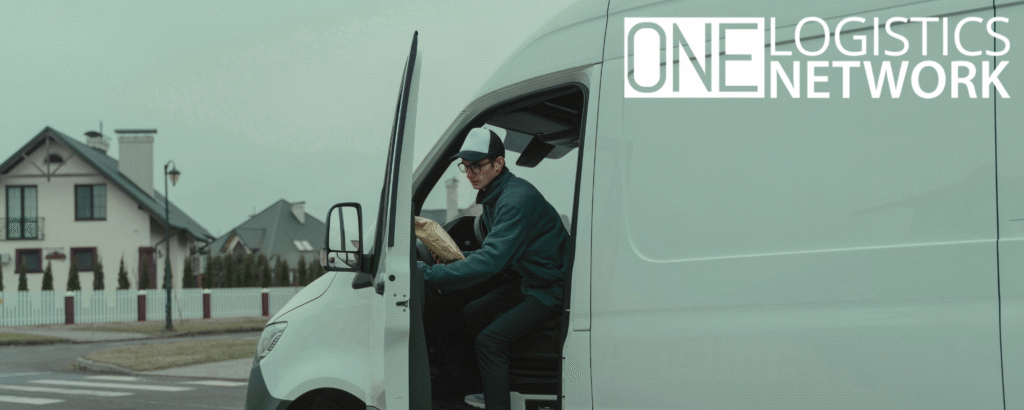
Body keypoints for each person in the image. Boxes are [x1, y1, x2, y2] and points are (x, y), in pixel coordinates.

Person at [417, 127, 570, 410]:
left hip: (552, 287)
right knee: (473, 311)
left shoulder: (515, 200)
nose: (469, 173)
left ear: (498, 164)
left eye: (477, 165)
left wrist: (425, 274)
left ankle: (497, 402)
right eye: (466, 166)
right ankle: (494, 383)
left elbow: (490, 262)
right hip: (532, 280)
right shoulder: (494, 195)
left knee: (489, 342)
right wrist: (455, 257)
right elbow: (493, 252)